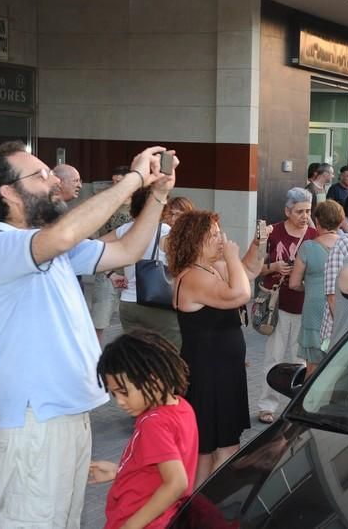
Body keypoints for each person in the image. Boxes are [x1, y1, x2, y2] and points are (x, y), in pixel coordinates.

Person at [0, 141, 176, 527]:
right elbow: (64, 236)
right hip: (37, 423)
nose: (53, 180)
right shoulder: (2, 248)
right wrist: (133, 179)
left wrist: (159, 195)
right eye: (40, 174)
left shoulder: (52, 248)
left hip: (68, 419)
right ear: (8, 193)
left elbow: (129, 250)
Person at [168, 209, 265, 486]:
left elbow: (248, 272)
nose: (221, 239)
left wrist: (258, 244)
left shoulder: (209, 268)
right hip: (209, 374)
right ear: (195, 240)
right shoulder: (193, 277)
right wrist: (232, 257)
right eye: (212, 235)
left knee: (216, 447)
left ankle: (202, 507)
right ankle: (202, 506)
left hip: (222, 370)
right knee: (212, 449)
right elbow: (241, 293)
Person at [89, 331, 197, 529]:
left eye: (124, 392)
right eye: (114, 394)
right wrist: (117, 471)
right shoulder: (181, 407)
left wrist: (130, 526)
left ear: (153, 379)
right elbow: (160, 468)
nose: (120, 402)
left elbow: (177, 482)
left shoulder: (153, 423)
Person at [256, 188, 317, 424]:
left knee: (300, 361)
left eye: (308, 211)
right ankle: (266, 406)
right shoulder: (273, 232)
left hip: (305, 305)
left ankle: (296, 405)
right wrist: (273, 267)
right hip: (277, 304)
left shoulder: (314, 234)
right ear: (287, 211)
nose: (304, 216)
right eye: (299, 211)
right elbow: (254, 267)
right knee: (273, 358)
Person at [100, 187, 181, 348]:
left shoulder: (125, 229)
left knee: (136, 355)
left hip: (129, 303)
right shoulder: (166, 232)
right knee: (169, 354)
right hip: (159, 304)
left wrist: (111, 274)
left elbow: (96, 248)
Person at [289, 200, 344, 377]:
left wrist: (310, 287)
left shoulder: (308, 248)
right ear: (340, 221)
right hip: (340, 310)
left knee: (312, 367)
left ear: (318, 222)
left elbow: (294, 283)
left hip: (314, 312)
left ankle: (307, 403)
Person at [92, 166, 135, 345]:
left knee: (132, 323)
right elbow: (93, 238)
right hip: (107, 268)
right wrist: (109, 273)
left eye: (120, 181)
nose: (116, 185)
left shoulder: (139, 205)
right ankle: (95, 361)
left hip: (132, 270)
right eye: (114, 181)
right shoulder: (105, 203)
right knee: (99, 320)